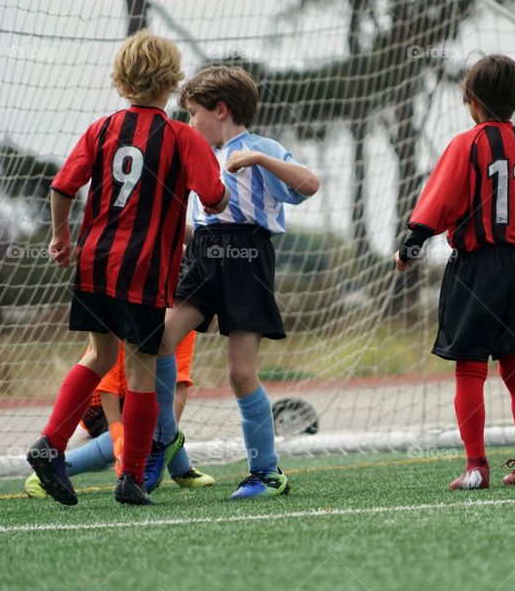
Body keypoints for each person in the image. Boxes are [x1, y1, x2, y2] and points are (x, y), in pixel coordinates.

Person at [26, 31, 229, 506]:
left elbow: (62, 187)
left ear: (120, 80)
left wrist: (60, 237)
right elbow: (214, 197)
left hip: (94, 262)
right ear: (174, 81)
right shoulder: (181, 136)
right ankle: (131, 477)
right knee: (139, 368)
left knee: (97, 356)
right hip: (142, 271)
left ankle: (50, 443)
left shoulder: (100, 130)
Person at [394, 54, 515, 490]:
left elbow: (438, 205)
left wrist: (411, 247)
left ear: (471, 100)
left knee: (469, 368)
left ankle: (477, 467)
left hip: (476, 269)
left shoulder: (467, 144)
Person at [154, 65, 319, 500]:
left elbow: (310, 184)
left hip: (248, 259)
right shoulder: (197, 153)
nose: (190, 123)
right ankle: (165, 438)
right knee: (159, 340)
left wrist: (262, 159)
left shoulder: (260, 148)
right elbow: (198, 221)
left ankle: (266, 472)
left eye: (194, 113)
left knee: (240, 373)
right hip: (205, 256)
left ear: (220, 110)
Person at [24, 331, 215, 498]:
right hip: (102, 405)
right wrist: (117, 433)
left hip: (140, 400)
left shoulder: (183, 323)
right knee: (127, 437)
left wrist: (162, 439)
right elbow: (107, 384)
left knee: (158, 425)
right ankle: (43, 475)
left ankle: (181, 471)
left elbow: (179, 381)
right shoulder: (136, 311)